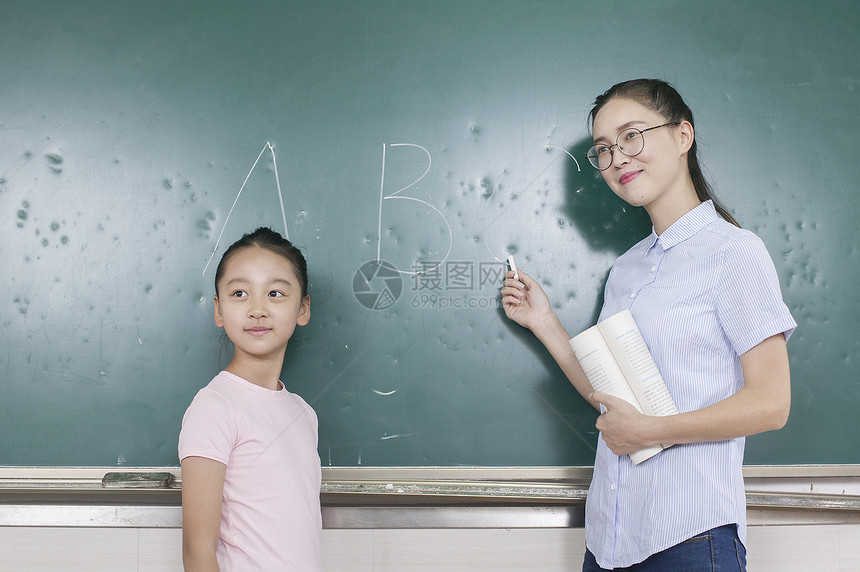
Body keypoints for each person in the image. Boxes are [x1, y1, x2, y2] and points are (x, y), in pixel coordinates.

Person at [500, 79, 796, 571]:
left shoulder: (734, 252)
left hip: (690, 537)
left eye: (632, 136)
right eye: (603, 150)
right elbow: (610, 394)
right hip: (610, 540)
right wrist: (545, 322)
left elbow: (771, 404)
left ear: (683, 136)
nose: (617, 158)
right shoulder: (628, 269)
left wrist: (653, 430)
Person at [179, 227, 322, 571]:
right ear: (218, 310)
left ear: (303, 309)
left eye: (275, 293)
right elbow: (197, 552)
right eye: (240, 293)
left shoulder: (303, 414)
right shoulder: (214, 407)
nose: (257, 310)